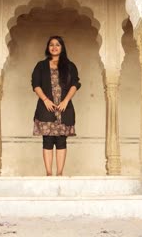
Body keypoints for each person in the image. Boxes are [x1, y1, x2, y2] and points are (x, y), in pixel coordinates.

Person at [31, 36, 81, 176]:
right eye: (51, 45)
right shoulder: (41, 66)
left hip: (64, 109)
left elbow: (75, 84)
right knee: (47, 139)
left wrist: (65, 101)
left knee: (61, 140)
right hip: (46, 108)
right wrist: (46, 100)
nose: (54, 47)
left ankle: (59, 174)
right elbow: (35, 84)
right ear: (48, 48)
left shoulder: (70, 66)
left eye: (57, 45)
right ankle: (48, 173)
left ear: (62, 47)